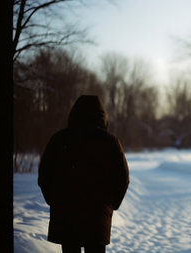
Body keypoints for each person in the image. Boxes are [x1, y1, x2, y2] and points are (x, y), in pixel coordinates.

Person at [38, 95, 129, 253]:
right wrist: (111, 205)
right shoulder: (110, 142)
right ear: (102, 116)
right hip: (97, 216)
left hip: (66, 214)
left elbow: (45, 175)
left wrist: (54, 201)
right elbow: (122, 178)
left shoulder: (59, 139)